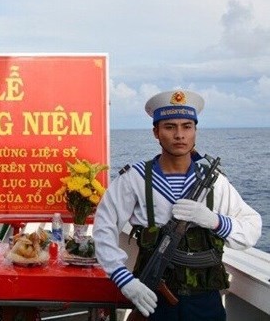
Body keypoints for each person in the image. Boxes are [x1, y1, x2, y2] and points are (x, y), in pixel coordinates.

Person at [92, 90, 262, 320]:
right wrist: (124, 279)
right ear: (156, 132)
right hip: (153, 300)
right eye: (170, 127)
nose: (179, 135)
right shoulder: (135, 179)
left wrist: (216, 221)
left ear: (195, 131)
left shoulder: (214, 182)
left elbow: (251, 228)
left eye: (187, 126)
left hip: (206, 301)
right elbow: (104, 227)